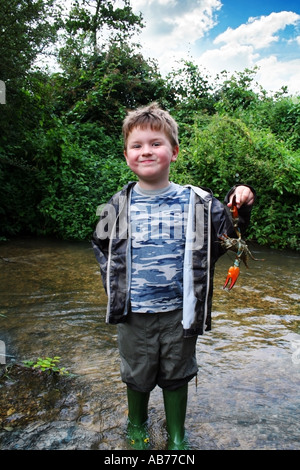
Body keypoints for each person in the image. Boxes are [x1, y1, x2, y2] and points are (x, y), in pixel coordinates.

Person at [92, 103, 255, 450]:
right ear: (126, 155)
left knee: (178, 374)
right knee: (135, 373)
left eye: (156, 143)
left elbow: (230, 235)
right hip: (133, 313)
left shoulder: (199, 201)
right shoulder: (115, 204)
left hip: (181, 312)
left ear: (174, 151)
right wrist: (115, 287)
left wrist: (241, 201)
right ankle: (137, 424)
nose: (146, 151)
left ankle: (177, 435)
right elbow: (100, 245)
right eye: (137, 145)